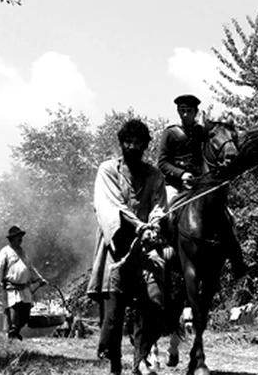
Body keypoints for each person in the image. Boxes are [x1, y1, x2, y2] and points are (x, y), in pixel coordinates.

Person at [87, 118, 168, 375]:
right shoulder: (108, 170)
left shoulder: (155, 175)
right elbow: (112, 207)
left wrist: (153, 224)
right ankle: (114, 366)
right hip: (116, 248)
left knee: (155, 304)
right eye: (127, 142)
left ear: (146, 145)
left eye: (138, 142)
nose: (132, 146)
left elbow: (159, 205)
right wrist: (139, 226)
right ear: (121, 143)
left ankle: (140, 361)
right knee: (113, 316)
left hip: (145, 249)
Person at [157, 94, 248, 278]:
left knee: (228, 215)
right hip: (175, 185)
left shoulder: (201, 132)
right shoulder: (170, 133)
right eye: (181, 111)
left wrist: (226, 160)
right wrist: (181, 174)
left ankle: (237, 261)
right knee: (163, 213)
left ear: (195, 112)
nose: (185, 114)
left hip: (199, 184)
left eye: (188, 111)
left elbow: (215, 146)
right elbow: (162, 162)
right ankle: (164, 247)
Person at [0, 225, 47, 340]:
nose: (20, 239)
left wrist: (40, 279)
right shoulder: (5, 252)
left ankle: (14, 333)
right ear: (12, 238)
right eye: (18, 236)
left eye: (21, 236)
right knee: (14, 317)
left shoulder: (23, 252)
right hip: (12, 290)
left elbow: (30, 267)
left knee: (25, 317)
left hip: (25, 289)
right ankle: (12, 335)